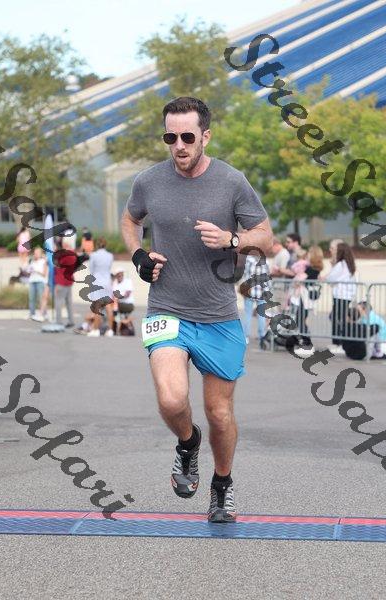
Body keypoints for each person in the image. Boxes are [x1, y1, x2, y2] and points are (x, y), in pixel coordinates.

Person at [121, 96, 273, 523]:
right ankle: (188, 444)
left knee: (220, 414)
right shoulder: (149, 181)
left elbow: (266, 237)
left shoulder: (231, 181)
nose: (179, 146)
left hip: (219, 315)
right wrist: (138, 255)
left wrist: (232, 240)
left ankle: (222, 486)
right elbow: (130, 220)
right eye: (170, 138)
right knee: (172, 401)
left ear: (206, 135)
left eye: (187, 137)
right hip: (166, 308)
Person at [322, 243, 356, 354]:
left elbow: (331, 278)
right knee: (339, 318)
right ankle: (340, 341)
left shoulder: (341, 265)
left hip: (340, 295)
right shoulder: (349, 264)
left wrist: (327, 276)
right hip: (346, 295)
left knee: (336, 318)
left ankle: (337, 342)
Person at [240, 253, 270, 348]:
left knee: (247, 314)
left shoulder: (249, 260)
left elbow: (245, 275)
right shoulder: (265, 261)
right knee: (261, 315)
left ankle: (246, 336)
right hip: (262, 290)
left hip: (250, 290)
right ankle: (262, 335)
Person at [87, 237, 114, 337]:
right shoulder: (110, 255)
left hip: (97, 281)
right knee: (108, 306)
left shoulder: (93, 255)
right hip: (107, 282)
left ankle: (95, 329)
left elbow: (91, 269)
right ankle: (110, 330)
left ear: (96, 245)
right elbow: (109, 268)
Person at [54, 247, 77, 327]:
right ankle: (71, 321)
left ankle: (59, 322)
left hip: (61, 283)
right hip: (69, 282)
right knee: (69, 303)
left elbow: (55, 271)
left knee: (58, 303)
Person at [112, 269, 135, 335]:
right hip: (117, 303)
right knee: (112, 305)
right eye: (118, 275)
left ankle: (114, 327)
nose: (120, 276)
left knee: (113, 306)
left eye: (121, 274)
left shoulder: (128, 281)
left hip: (127, 304)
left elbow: (127, 294)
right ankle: (114, 326)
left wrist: (118, 297)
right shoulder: (115, 283)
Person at [27, 247, 47, 321]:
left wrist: (36, 271)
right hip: (32, 281)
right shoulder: (32, 261)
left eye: (37, 253)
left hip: (40, 281)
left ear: (41, 254)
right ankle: (32, 314)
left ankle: (44, 314)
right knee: (31, 298)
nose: (36, 254)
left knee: (41, 298)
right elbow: (28, 272)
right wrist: (29, 271)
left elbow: (44, 274)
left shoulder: (43, 261)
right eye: (35, 253)